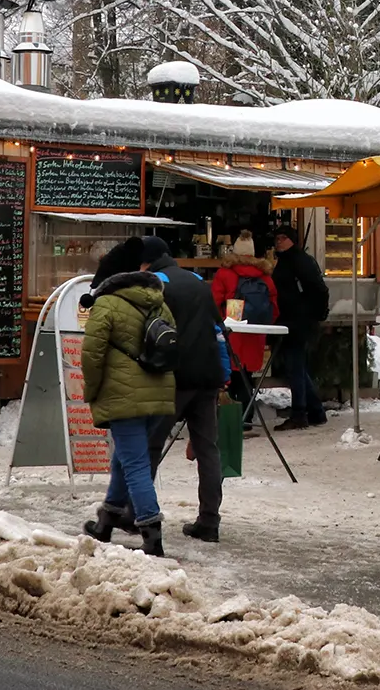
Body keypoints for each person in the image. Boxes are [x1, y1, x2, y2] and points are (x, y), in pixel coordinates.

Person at [78, 242, 176, 556]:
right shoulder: (159, 302)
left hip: (122, 395)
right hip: (158, 391)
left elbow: (91, 356)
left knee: (134, 463)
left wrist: (91, 391)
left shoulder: (105, 305)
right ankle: (106, 521)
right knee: (125, 457)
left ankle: (151, 531)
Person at [138, 236, 227, 543]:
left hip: (173, 377)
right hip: (207, 375)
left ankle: (141, 515)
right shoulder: (197, 280)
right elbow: (218, 327)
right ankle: (209, 521)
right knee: (207, 449)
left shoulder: (155, 284)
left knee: (150, 446)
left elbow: (147, 330)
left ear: (147, 262)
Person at [269, 224, 330, 430]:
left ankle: (299, 413)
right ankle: (315, 411)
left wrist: (316, 314)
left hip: (298, 321)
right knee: (298, 367)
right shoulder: (288, 261)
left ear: (292, 240)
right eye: (277, 238)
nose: (278, 241)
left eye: (283, 238)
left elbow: (319, 290)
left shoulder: (300, 262)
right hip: (291, 320)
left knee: (295, 367)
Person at [210, 231, 279, 404]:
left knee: (231, 371)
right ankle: (247, 413)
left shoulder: (225, 273)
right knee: (247, 373)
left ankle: (235, 414)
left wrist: (217, 323)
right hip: (256, 331)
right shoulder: (265, 275)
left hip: (232, 328)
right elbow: (274, 307)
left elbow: (214, 302)